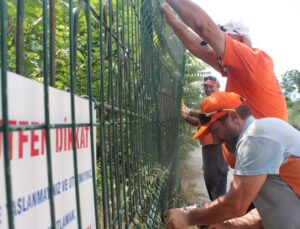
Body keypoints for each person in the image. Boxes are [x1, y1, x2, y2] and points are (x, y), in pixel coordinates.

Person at [161, 0, 288, 168]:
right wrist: (172, 20)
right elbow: (201, 49)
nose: (214, 53)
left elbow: (204, 27)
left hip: (269, 169)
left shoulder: (251, 62)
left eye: (219, 44)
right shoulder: (239, 69)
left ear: (240, 39)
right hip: (262, 164)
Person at [165, 92, 300, 229]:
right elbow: (273, 210)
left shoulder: (255, 138)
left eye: (215, 130)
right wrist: (225, 225)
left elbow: (235, 205)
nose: (215, 140)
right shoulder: (262, 132)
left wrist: (187, 217)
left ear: (234, 117)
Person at [182, 75, 228, 200]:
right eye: (205, 86)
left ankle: (219, 215)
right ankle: (218, 214)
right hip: (209, 148)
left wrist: (186, 110)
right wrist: (185, 116)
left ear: (218, 85)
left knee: (216, 188)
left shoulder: (220, 100)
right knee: (214, 187)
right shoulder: (209, 102)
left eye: (211, 86)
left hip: (216, 147)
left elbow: (206, 117)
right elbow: (200, 122)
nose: (208, 89)